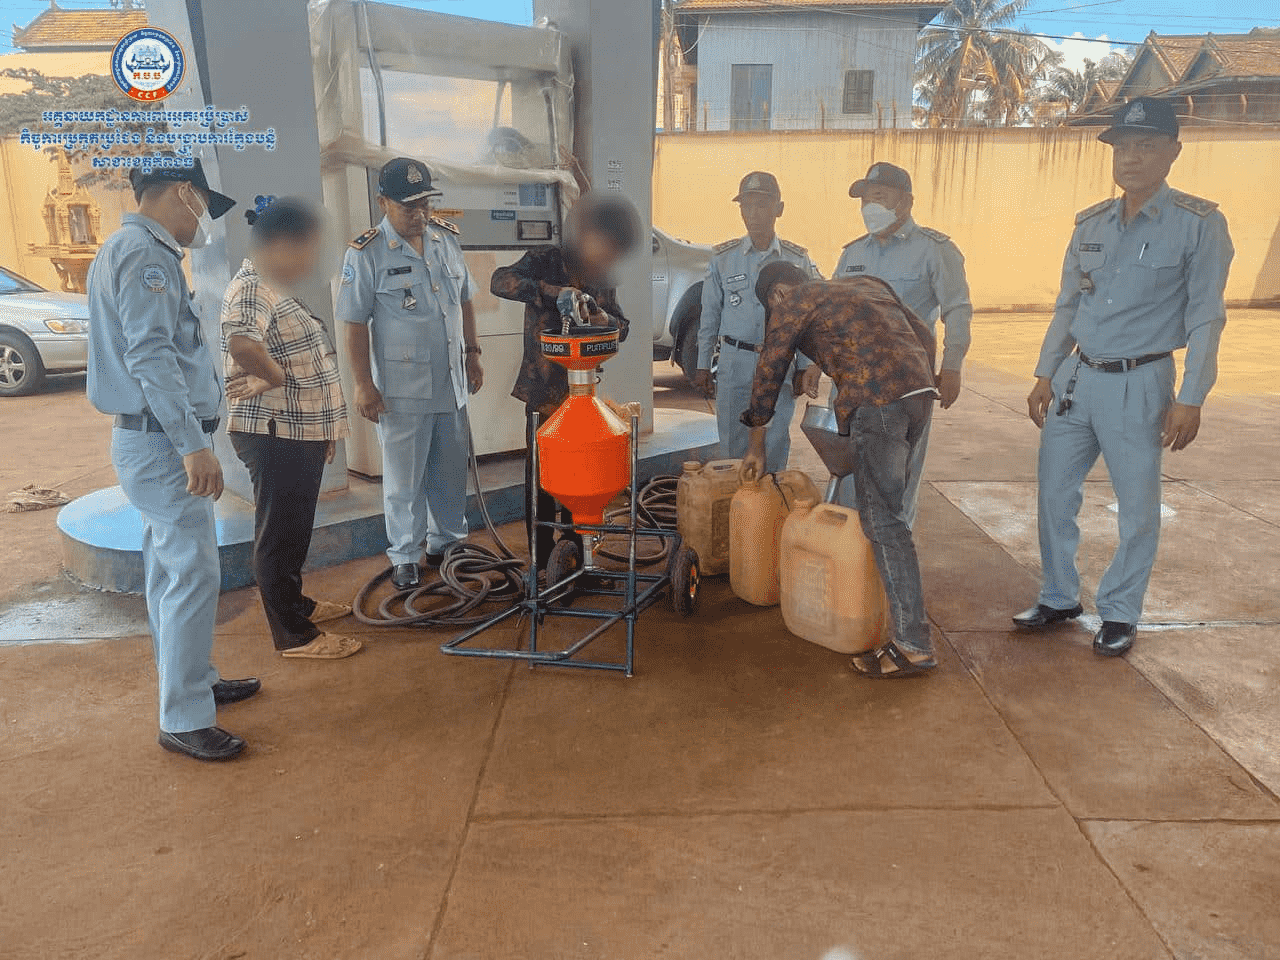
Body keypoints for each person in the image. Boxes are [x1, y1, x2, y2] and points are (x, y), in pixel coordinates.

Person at [1014, 97, 1233, 657]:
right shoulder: (1091, 223)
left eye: (1145, 146)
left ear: (1173, 152)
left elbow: (1206, 317)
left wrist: (1191, 397)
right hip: (1076, 377)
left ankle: (1119, 611)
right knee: (1053, 495)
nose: (1131, 158)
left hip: (1141, 381)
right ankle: (1059, 595)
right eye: (1123, 147)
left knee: (1137, 508)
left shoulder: (1198, 225)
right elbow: (1068, 304)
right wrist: (1045, 372)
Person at [86, 159, 258, 761]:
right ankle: (184, 716)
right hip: (162, 441)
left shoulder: (125, 249)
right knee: (191, 573)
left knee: (169, 569)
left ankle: (192, 680)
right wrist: (193, 445)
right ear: (184, 192)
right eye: (203, 204)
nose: (202, 219)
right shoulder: (146, 255)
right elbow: (152, 357)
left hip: (148, 438)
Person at [740, 262, 939, 678]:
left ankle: (914, 645)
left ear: (777, 294)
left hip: (878, 403)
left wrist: (756, 441)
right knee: (890, 518)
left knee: (883, 522)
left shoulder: (791, 301)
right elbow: (923, 332)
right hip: (918, 394)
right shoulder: (867, 283)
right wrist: (921, 382)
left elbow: (771, 367)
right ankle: (902, 629)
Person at [221, 196, 362, 661]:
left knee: (293, 529)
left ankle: (296, 604)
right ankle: (294, 635)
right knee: (279, 534)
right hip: (274, 431)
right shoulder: (252, 287)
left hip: (297, 430)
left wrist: (324, 431)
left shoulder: (274, 287)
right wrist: (274, 377)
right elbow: (243, 344)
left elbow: (306, 359)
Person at [337, 158, 484, 592]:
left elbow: (465, 300)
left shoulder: (445, 239)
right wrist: (363, 385)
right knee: (404, 479)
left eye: (424, 203)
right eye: (408, 206)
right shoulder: (366, 253)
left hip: (452, 382)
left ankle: (448, 543)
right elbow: (353, 323)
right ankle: (405, 554)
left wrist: (473, 354)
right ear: (382, 202)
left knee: (450, 471)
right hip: (402, 390)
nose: (419, 214)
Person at [491, 192, 642, 570]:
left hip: (583, 398)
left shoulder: (602, 276)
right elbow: (500, 281)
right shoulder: (544, 260)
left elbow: (622, 326)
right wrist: (553, 293)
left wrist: (604, 320)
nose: (607, 256)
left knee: (583, 481)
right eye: (604, 246)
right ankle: (542, 562)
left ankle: (577, 557)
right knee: (543, 481)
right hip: (544, 393)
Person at [834, 162, 972, 524]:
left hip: (906, 387)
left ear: (906, 202)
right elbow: (832, 313)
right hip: (854, 384)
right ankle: (853, 556)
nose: (869, 207)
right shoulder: (852, 254)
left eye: (879, 197)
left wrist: (953, 366)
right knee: (850, 479)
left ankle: (893, 555)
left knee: (896, 482)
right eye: (865, 200)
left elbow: (957, 309)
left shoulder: (934, 250)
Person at [694, 171, 821, 473]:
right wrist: (702, 363)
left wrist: (804, 366)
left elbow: (808, 318)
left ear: (779, 209)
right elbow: (710, 314)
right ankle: (735, 504)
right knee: (732, 445)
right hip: (735, 362)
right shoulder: (723, 258)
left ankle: (770, 502)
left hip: (779, 361)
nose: (753, 214)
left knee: (774, 443)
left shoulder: (797, 259)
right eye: (746, 206)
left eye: (761, 205)